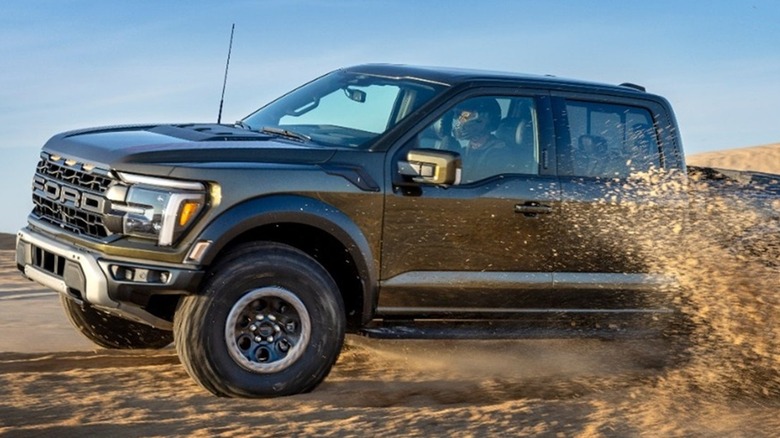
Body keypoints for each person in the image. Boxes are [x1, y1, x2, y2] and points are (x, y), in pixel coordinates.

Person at [451, 98, 508, 182]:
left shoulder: (499, 155)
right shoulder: (463, 152)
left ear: (486, 120)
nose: (461, 122)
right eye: (461, 117)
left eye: (466, 116)